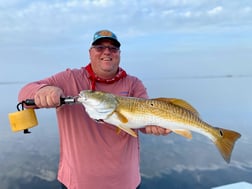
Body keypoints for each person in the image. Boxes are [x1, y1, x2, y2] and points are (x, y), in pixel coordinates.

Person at [18, 30, 171, 189]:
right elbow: (24, 95)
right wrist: (44, 90)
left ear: (119, 53)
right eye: (99, 47)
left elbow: (145, 121)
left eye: (113, 48)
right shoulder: (69, 78)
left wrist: (154, 126)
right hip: (77, 183)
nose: (107, 52)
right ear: (90, 53)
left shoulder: (133, 83)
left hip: (126, 182)